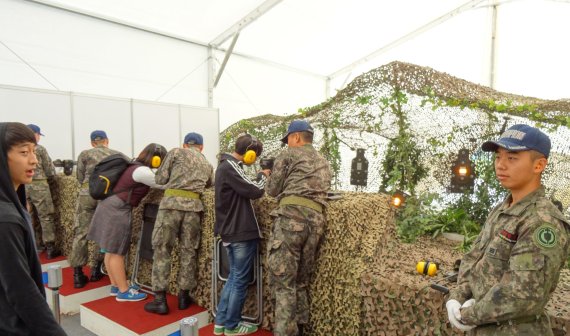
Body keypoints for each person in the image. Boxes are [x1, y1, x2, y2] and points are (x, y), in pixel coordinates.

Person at [446, 124, 570, 335]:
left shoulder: (542, 222)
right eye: (497, 157)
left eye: (512, 158)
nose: (501, 165)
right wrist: (457, 297)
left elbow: (523, 294)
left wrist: (469, 314)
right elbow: (474, 259)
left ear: (539, 165)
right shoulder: (503, 209)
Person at [0, 122, 67, 336]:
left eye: (34, 151)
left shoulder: (13, 205)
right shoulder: (6, 219)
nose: (34, 160)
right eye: (23, 152)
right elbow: (21, 290)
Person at [266, 120, 332, 336]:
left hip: (291, 219)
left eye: (288, 140)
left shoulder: (288, 155)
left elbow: (272, 191)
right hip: (316, 223)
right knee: (301, 282)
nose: (288, 144)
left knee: (284, 284)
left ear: (295, 137)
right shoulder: (324, 160)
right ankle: (301, 330)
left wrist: (268, 176)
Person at [144, 132, 214, 315]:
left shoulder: (175, 153)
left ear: (184, 145)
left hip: (170, 207)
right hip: (193, 210)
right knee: (189, 251)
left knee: (162, 249)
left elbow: (159, 179)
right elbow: (209, 184)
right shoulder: (207, 163)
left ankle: (160, 299)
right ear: (201, 147)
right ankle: (184, 296)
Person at [87, 143, 167, 302]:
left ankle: (116, 286)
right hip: (117, 209)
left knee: (109, 250)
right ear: (157, 160)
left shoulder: (134, 166)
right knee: (117, 252)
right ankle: (124, 291)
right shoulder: (142, 171)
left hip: (108, 205)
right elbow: (163, 183)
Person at [213, 134, 270, 336]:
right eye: (255, 155)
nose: (254, 159)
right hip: (240, 232)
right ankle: (232, 325)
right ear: (250, 153)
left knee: (233, 278)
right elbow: (255, 190)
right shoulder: (231, 166)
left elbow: (243, 187)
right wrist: (263, 175)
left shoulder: (225, 166)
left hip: (231, 231)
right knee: (239, 280)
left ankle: (221, 323)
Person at [70, 130, 121, 288]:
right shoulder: (116, 154)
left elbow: (79, 177)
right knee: (103, 232)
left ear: (92, 142)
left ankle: (78, 274)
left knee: (81, 233)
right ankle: (96, 269)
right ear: (107, 141)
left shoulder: (84, 154)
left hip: (87, 193)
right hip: (105, 194)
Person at [25, 124, 61, 259]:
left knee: (30, 215)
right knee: (45, 216)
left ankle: (35, 245)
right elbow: (50, 171)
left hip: (25, 186)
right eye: (39, 134)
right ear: (34, 134)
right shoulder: (39, 149)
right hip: (40, 186)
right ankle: (50, 247)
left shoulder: (19, 149)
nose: (39, 137)